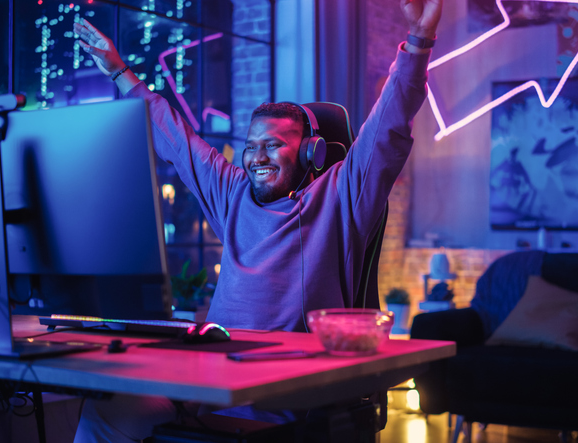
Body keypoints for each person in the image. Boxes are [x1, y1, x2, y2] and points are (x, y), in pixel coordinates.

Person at [72, 0, 442, 441]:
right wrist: (118, 71)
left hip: (282, 397)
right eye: (251, 146)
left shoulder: (342, 196)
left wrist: (418, 43)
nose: (256, 157)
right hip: (207, 383)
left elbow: (389, 125)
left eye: (273, 145)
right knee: (103, 415)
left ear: (311, 152)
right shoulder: (232, 193)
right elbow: (174, 136)